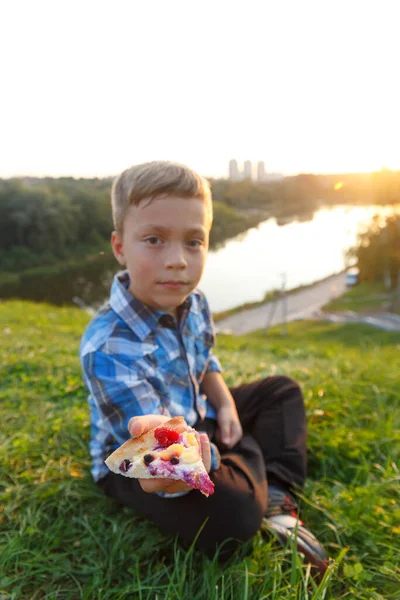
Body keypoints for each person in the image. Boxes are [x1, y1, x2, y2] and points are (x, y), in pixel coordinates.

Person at [80, 161, 329, 576]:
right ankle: (257, 474)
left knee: (281, 391)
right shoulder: (107, 346)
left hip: (198, 417)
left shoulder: (194, 302)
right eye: (154, 239)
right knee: (233, 518)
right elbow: (159, 458)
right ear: (120, 246)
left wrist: (227, 407)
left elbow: (205, 360)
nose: (178, 260)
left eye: (193, 242)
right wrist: (216, 451)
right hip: (137, 461)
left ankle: (276, 494)